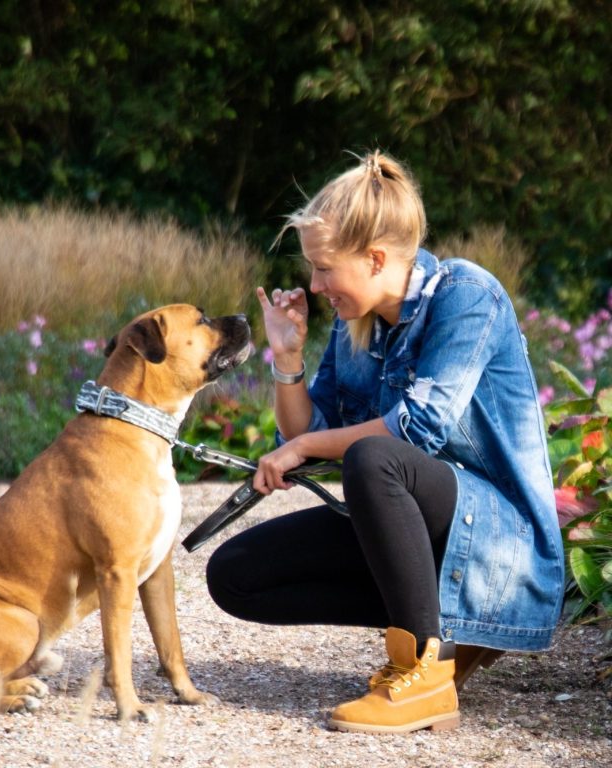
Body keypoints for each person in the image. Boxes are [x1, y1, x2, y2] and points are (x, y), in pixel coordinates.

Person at [205, 150, 564, 734]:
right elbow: (309, 434)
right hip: (427, 529)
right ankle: (447, 630)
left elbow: (416, 429)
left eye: (324, 268)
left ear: (375, 259)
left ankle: (422, 671)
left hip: (503, 547)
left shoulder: (467, 296)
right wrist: (287, 357)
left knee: (373, 458)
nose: (316, 286)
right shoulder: (358, 327)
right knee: (236, 574)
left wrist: (302, 450)